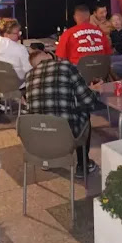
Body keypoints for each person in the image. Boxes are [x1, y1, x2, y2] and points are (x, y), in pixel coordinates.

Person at [24, 50, 100, 178]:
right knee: (84, 112)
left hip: (37, 137)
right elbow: (88, 101)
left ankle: (47, 159)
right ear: (48, 56)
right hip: (65, 136)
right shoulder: (66, 67)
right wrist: (95, 91)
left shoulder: (29, 76)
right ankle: (83, 165)